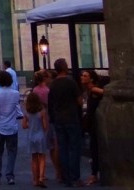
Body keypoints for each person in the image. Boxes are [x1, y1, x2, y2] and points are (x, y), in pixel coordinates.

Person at [48, 59, 83, 188]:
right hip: (71, 118)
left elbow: (50, 103)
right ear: (64, 68)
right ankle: (75, 177)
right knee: (74, 148)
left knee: (63, 148)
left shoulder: (52, 85)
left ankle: (65, 177)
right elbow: (79, 101)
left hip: (58, 119)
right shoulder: (71, 82)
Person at [0, 70, 23, 185]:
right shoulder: (15, 93)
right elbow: (17, 108)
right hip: (12, 126)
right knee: (12, 151)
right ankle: (10, 175)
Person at [80, 69, 105, 186]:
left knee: (94, 148)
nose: (82, 77)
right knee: (93, 148)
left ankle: (94, 174)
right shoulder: (89, 91)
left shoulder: (93, 89)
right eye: (82, 75)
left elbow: (105, 92)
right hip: (92, 123)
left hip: (95, 123)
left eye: (85, 76)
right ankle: (95, 173)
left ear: (91, 79)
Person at [23, 89, 49, 188]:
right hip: (40, 135)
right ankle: (41, 177)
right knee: (42, 157)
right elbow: (45, 126)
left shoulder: (26, 112)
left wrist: (30, 125)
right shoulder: (42, 112)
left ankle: (35, 179)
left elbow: (24, 126)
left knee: (34, 158)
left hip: (31, 136)